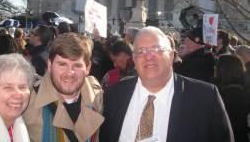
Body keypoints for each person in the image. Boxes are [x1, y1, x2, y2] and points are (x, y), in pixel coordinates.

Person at [100, 26, 234, 142]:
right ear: (134, 60)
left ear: (170, 56)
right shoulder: (114, 95)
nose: (148, 56)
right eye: (141, 51)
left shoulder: (206, 97)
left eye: (156, 49)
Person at [22, 32, 104, 142]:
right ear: (50, 65)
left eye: (77, 65)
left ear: (88, 67)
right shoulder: (26, 99)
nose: (69, 73)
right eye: (62, 64)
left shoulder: (97, 95)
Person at [214, 55, 250, 142]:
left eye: (217, 66)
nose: (214, 68)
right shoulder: (244, 93)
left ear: (223, 70)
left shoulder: (221, 95)